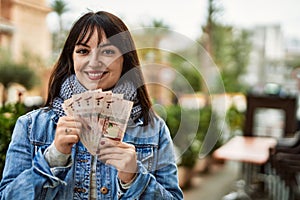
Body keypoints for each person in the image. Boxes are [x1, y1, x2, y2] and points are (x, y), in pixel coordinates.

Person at [0, 11, 183, 199]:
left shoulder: (154, 129)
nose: (94, 62)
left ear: (125, 59)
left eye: (108, 51)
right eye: (83, 51)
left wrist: (134, 178)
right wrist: (53, 158)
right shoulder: (31, 126)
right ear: (71, 58)